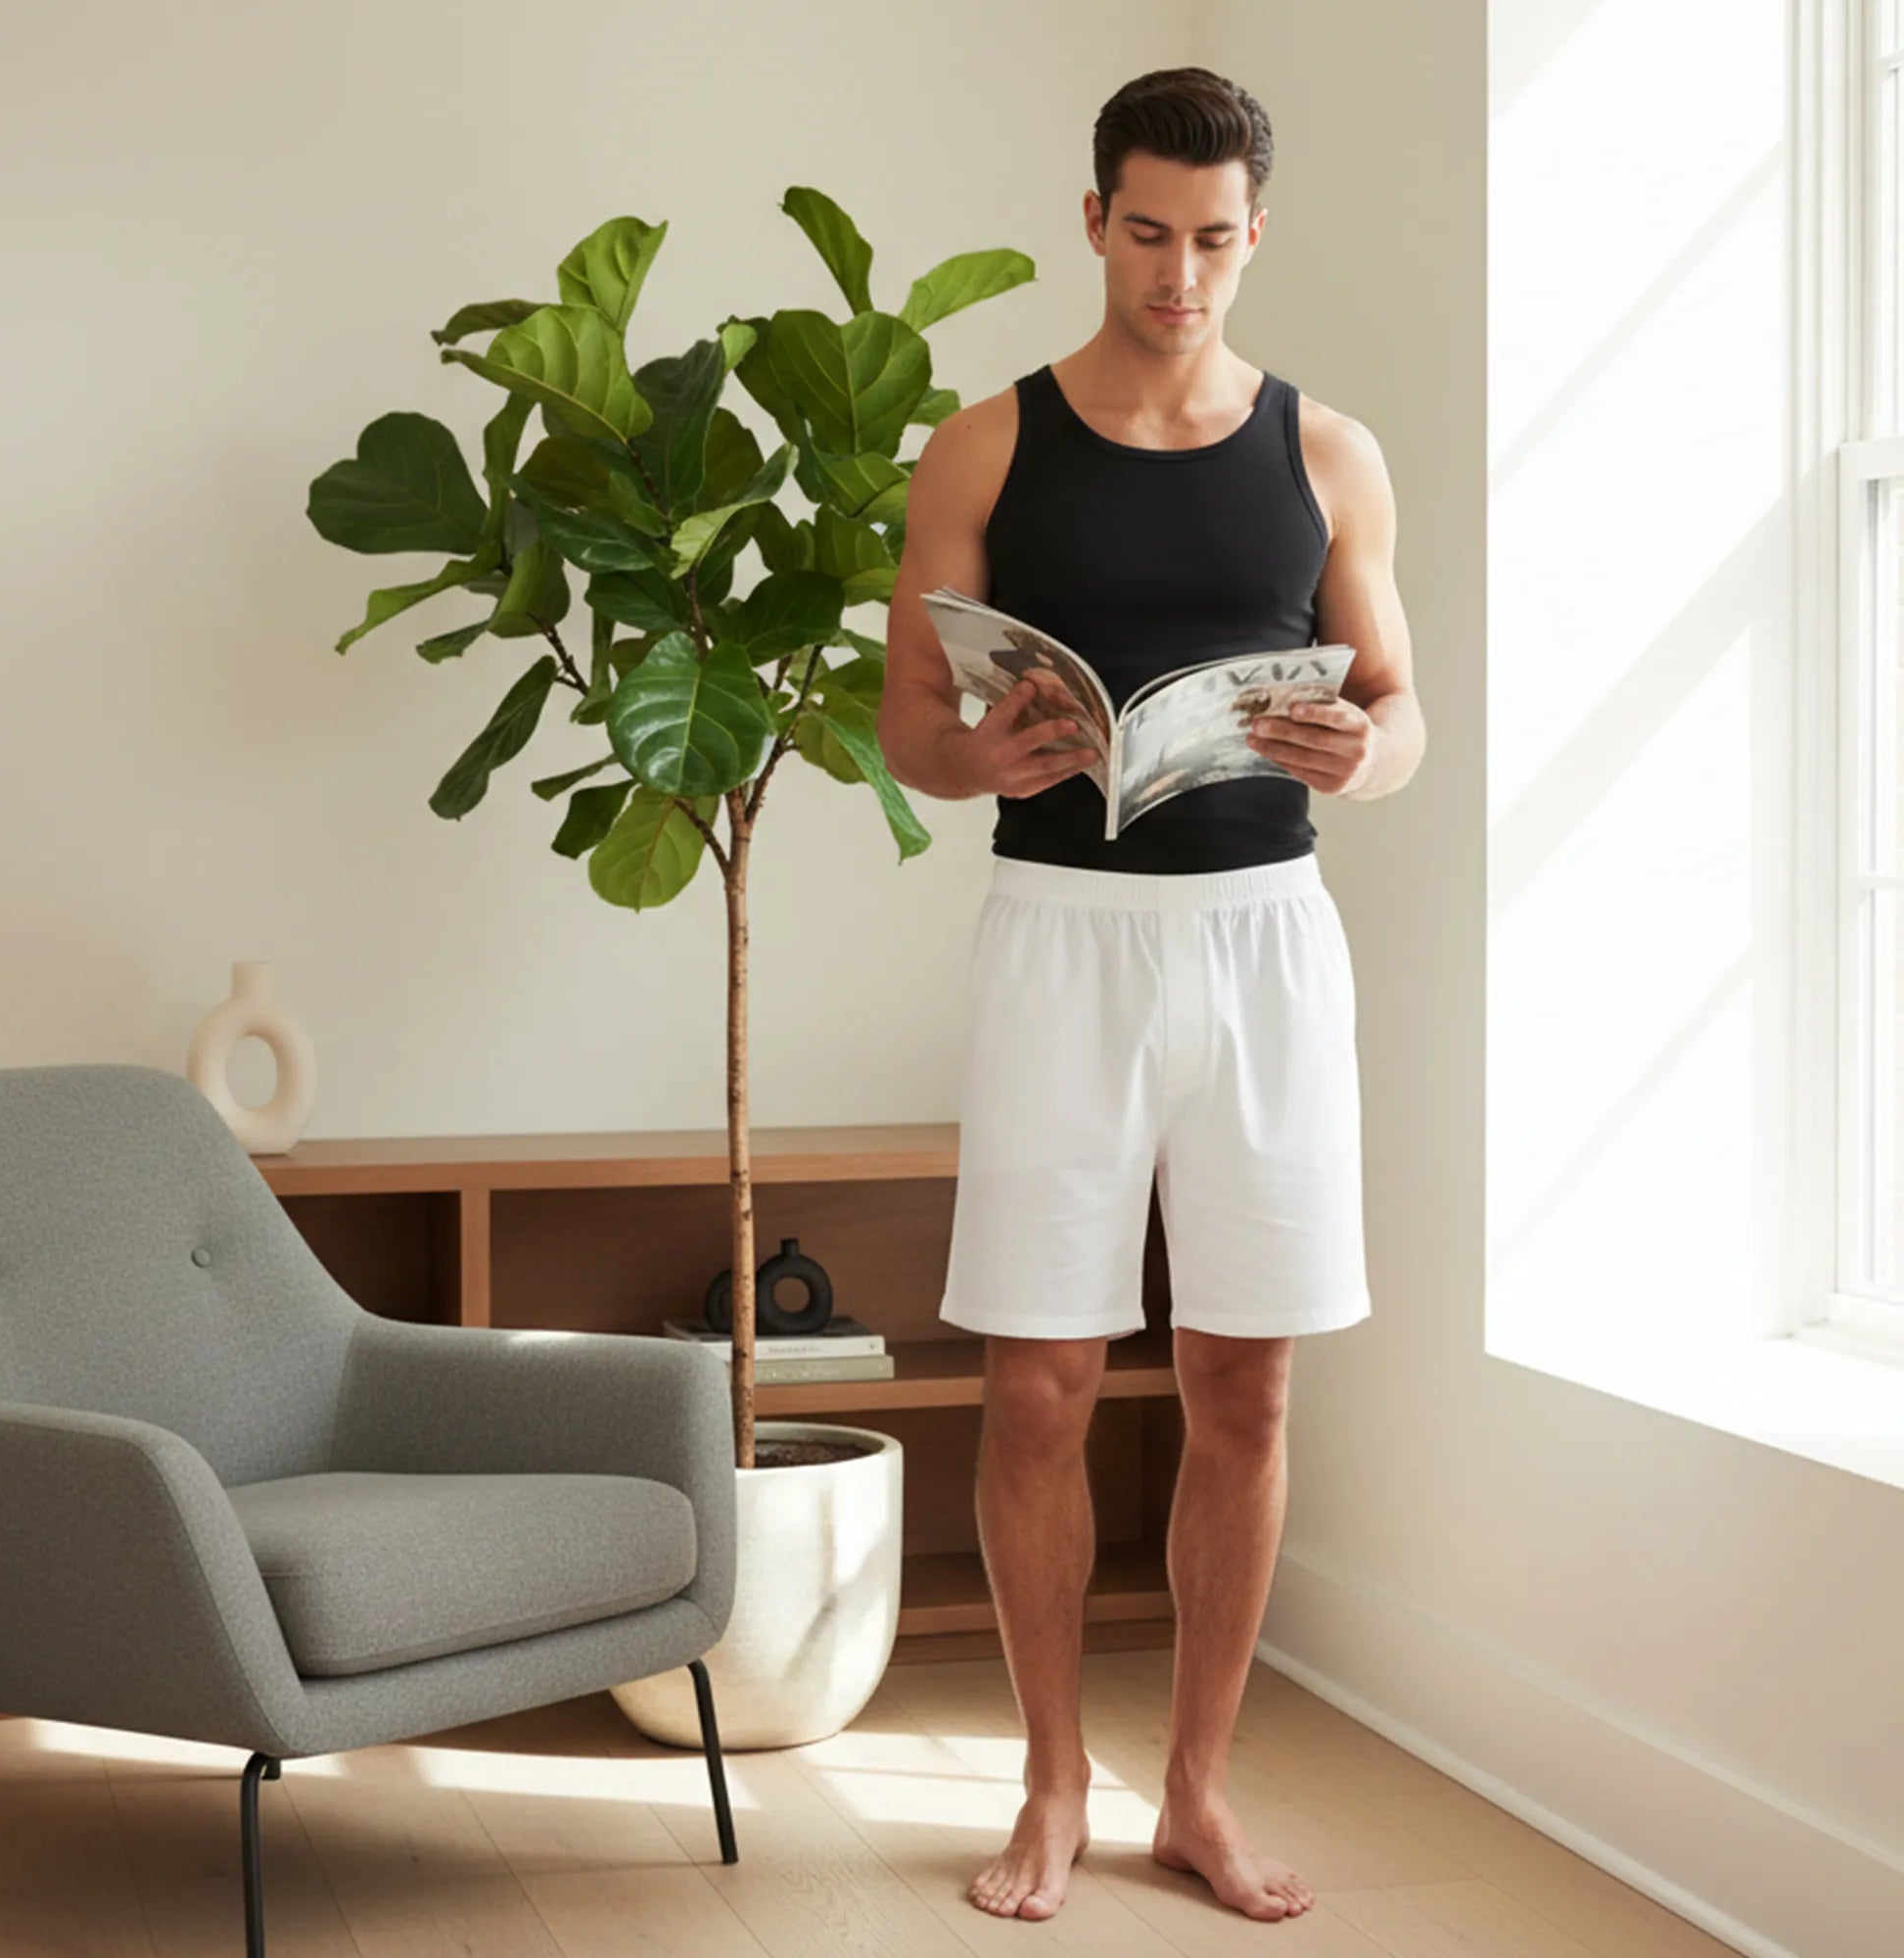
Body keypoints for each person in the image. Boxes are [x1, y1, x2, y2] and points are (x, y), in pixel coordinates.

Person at [876, 67, 1426, 1928]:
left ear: (1254, 232)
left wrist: (1366, 753)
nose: (1178, 274)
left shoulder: (1329, 453)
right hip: (1062, 937)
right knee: (1036, 1385)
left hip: (1268, 938)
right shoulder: (984, 450)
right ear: (1093, 218)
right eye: (1145, 233)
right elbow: (906, 737)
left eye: (1212, 240)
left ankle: (1192, 1788)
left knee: (1245, 1389)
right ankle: (1047, 1783)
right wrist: (993, 761)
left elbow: (1403, 709)